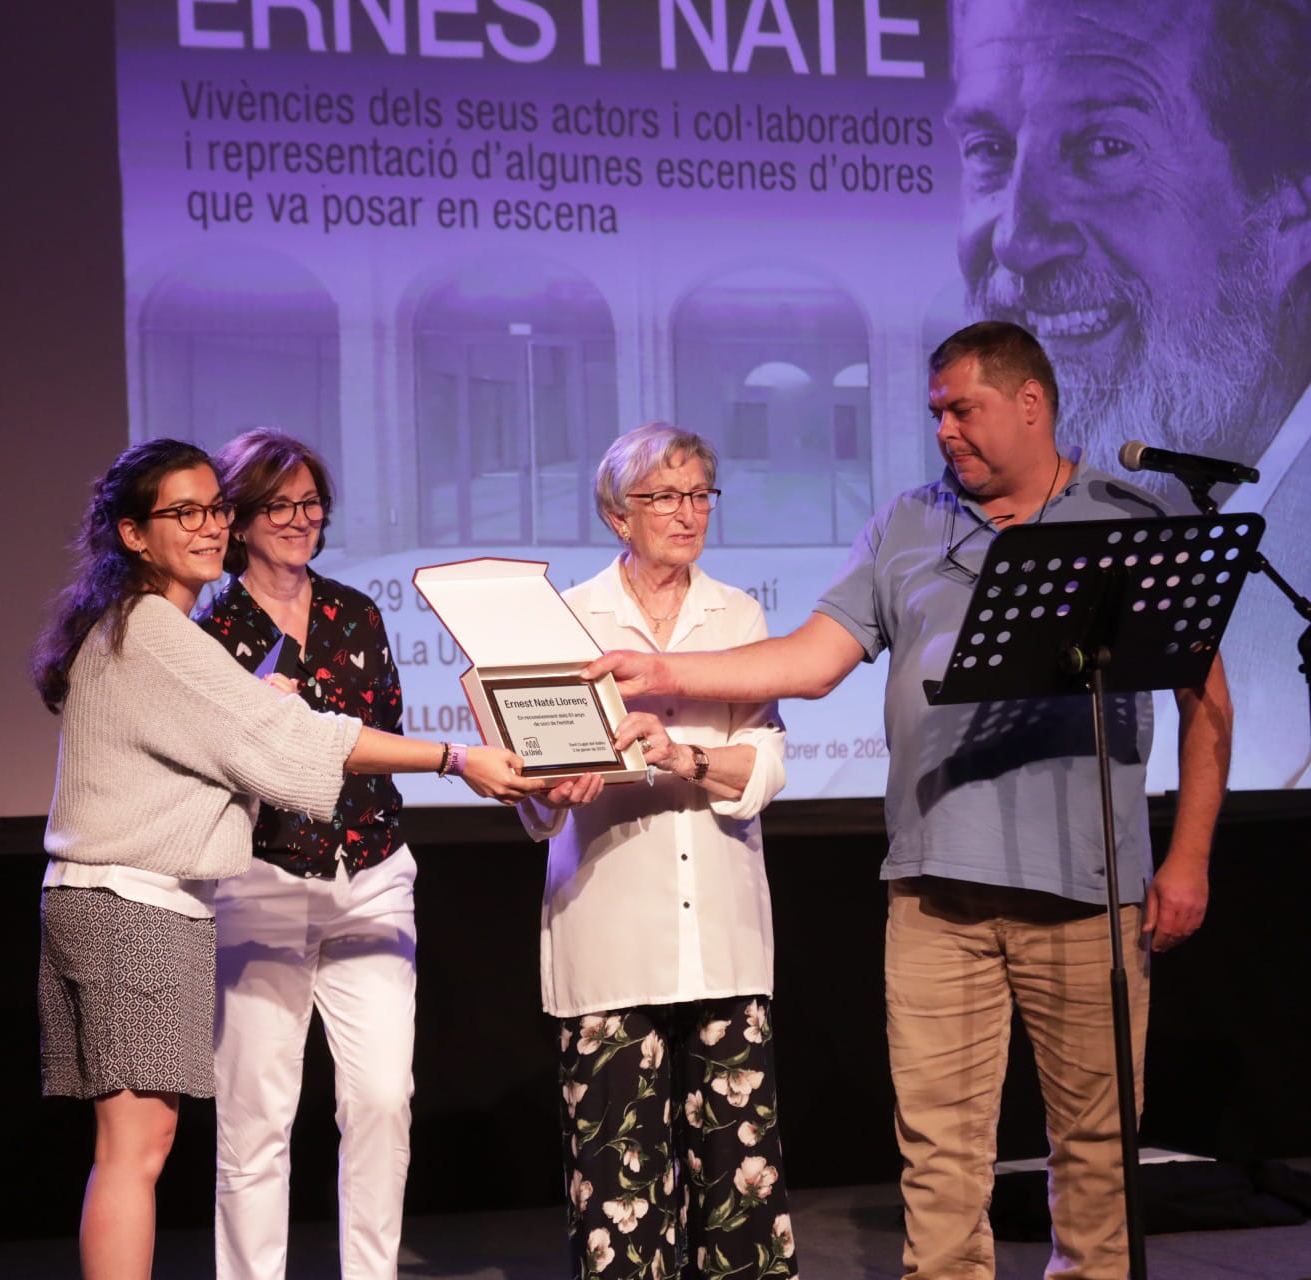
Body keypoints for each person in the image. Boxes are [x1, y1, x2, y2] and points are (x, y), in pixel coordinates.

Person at [584, 323, 1233, 1280]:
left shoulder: (1126, 517)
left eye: (961, 409)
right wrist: (663, 668)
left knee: (1098, 1162)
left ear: (1030, 405)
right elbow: (808, 662)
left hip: (1088, 893)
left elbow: (1205, 699)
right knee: (940, 1163)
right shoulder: (908, 524)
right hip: (933, 897)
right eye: (934, 413)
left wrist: (1188, 857)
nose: (945, 431)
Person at [30, 438, 542, 1280]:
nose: (208, 527)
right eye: (187, 513)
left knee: (142, 1144)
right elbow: (288, 744)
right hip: (158, 899)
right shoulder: (170, 631)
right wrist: (455, 758)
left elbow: (271, 732)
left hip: (206, 891)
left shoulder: (154, 625)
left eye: (213, 510)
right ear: (131, 534)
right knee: (155, 1145)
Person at [947, 0, 1308, 785]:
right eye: (988, 148)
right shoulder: (955, 514)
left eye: (1106, 147)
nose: (1017, 236)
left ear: (1290, 213)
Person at [517, 424, 794, 1280]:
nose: (687, 512)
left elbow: (768, 767)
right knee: (617, 1193)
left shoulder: (739, 614)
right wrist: (548, 789)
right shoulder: (568, 620)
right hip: (611, 937)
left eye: (700, 493)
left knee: (738, 1190)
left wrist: (682, 755)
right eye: (663, 496)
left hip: (724, 936)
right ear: (615, 515)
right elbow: (533, 793)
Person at [193, 429, 416, 1280]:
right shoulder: (209, 631)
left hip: (373, 874)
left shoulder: (356, 611)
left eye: (310, 503)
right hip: (261, 879)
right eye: (279, 505)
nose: (299, 519)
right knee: (257, 1115)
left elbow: (380, 734)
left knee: (381, 1101)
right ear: (241, 520)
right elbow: (205, 761)